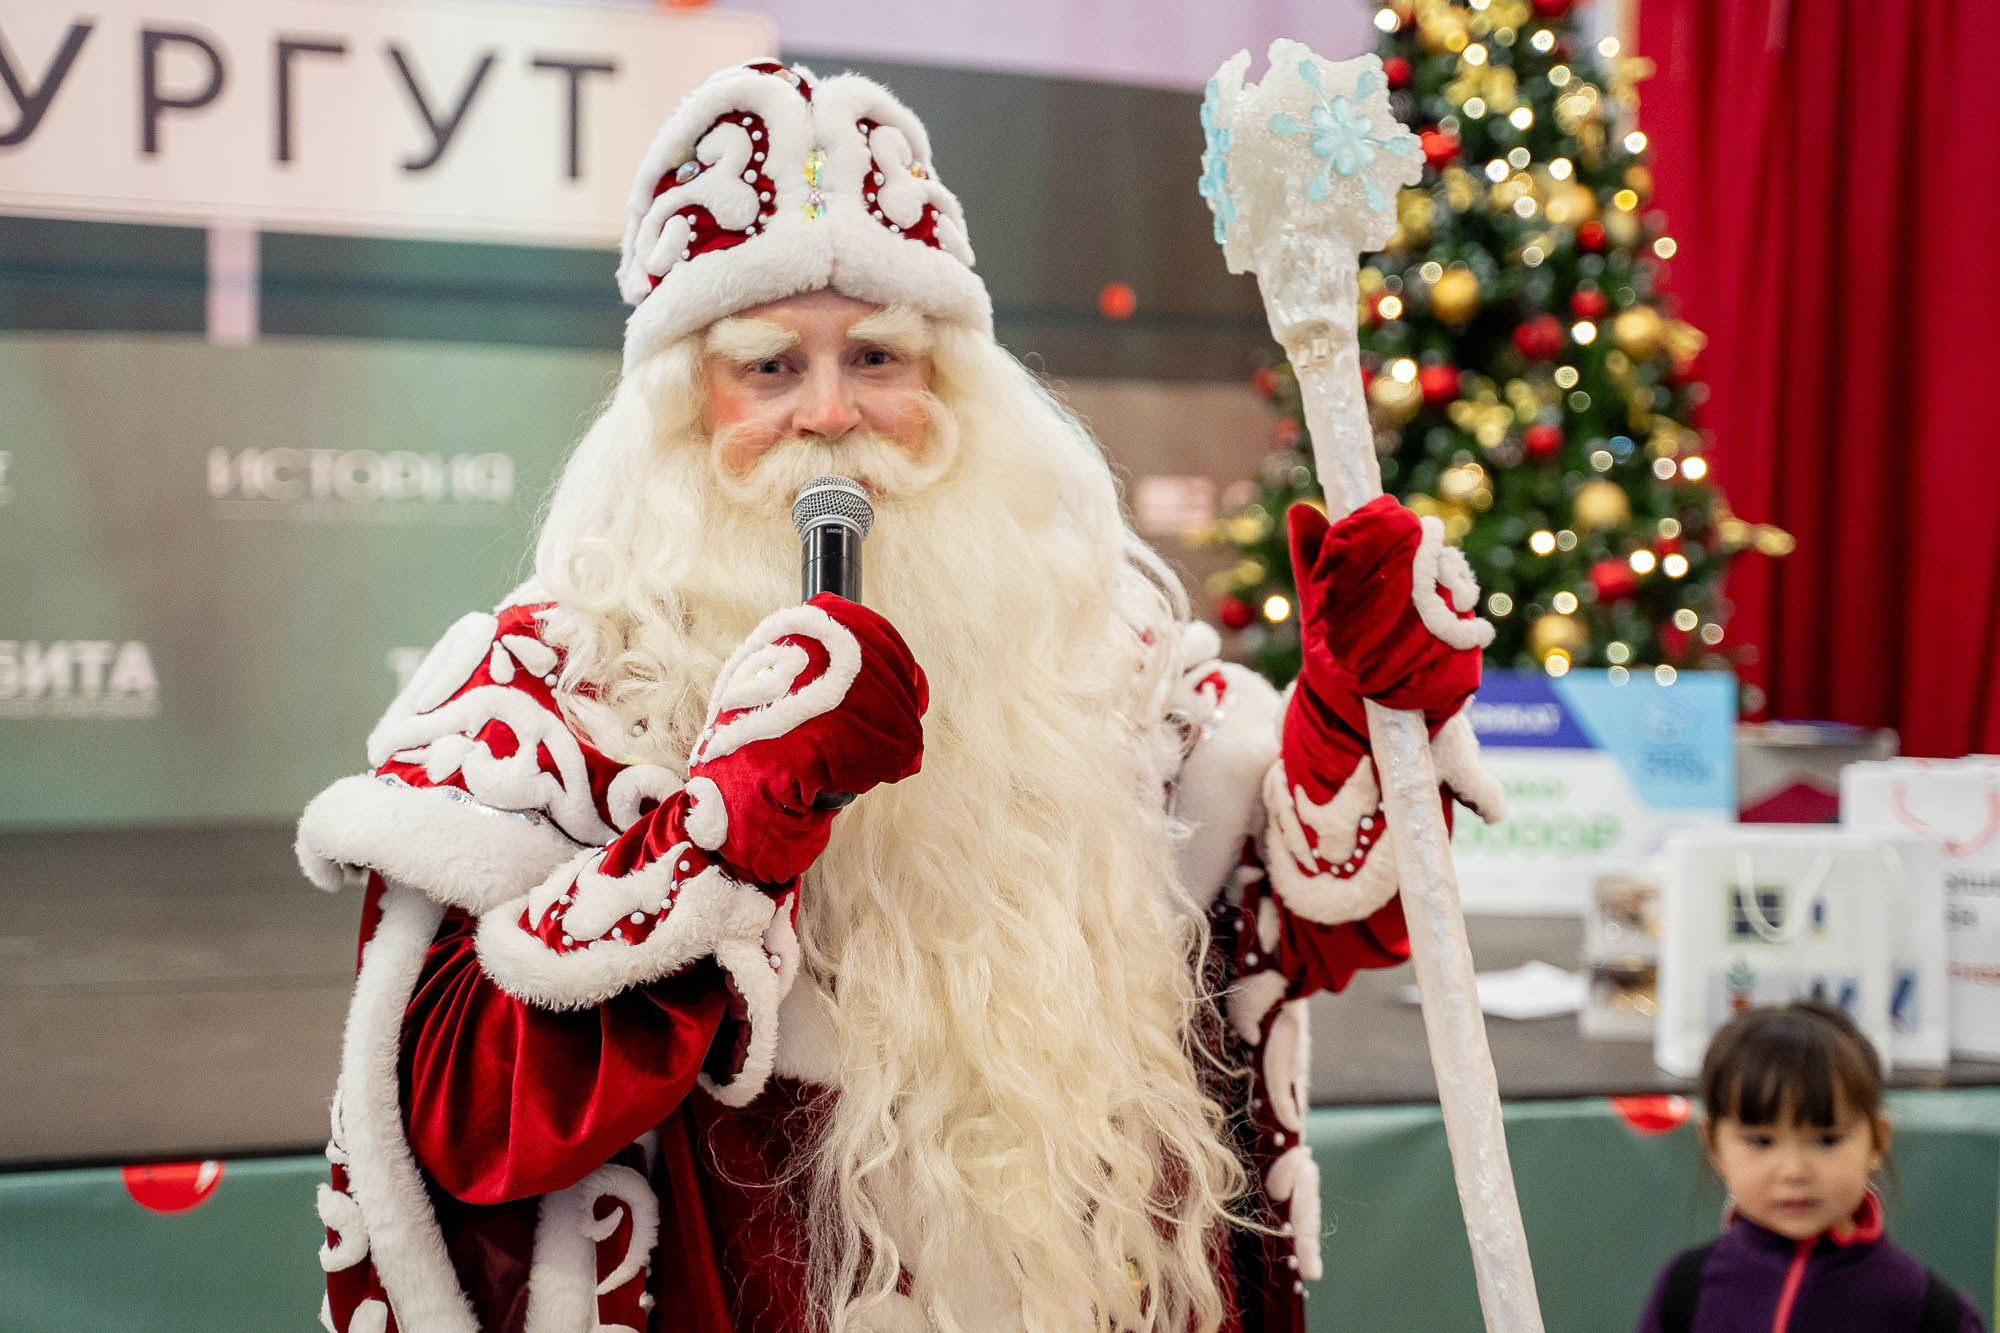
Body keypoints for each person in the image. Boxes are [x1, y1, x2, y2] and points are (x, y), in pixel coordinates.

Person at [296, 58, 1502, 1333]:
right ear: (679, 404)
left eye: (875, 356)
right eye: (768, 367)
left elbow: (1293, 931)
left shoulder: (1098, 650)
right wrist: (727, 821)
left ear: (953, 391)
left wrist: (1354, 714)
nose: (830, 414)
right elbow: (467, 1118)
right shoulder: (558, 690)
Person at [1636, 1002, 1985, 1333]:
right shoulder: (1684, 1290)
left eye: (1827, 1140)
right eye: (1761, 1142)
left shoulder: (1929, 1311)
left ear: (1877, 1141)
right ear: (1713, 1143)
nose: (1794, 1171)